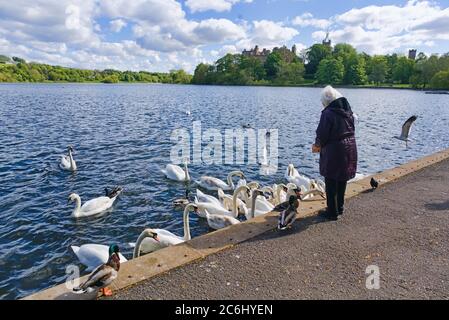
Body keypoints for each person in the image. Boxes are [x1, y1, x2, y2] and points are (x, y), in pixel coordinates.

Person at [312, 86, 357, 220]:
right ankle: (340, 207)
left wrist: (317, 145)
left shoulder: (328, 113)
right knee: (342, 179)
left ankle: (332, 212)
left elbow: (322, 133)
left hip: (334, 149)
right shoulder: (348, 111)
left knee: (330, 179)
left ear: (326, 101)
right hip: (350, 147)